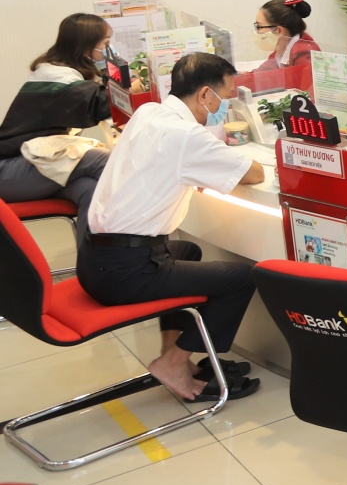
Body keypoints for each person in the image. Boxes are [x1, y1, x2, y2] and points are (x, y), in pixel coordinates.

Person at [80, 53, 264, 403]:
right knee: (242, 278)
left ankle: (174, 355)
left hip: (95, 259)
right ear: (206, 94)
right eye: (227, 95)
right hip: (124, 273)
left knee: (186, 251)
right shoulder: (186, 135)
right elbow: (253, 173)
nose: (226, 105)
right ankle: (173, 363)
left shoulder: (149, 112)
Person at [0, 14, 114, 227]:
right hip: (8, 170)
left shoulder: (57, 70)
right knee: (104, 160)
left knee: (91, 190)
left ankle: (98, 250)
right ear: (86, 45)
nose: (108, 50)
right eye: (105, 44)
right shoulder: (56, 77)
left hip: (31, 163)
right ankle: (137, 243)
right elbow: (99, 102)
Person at [234, 0, 318, 93]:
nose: (256, 32)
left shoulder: (304, 55)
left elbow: (307, 95)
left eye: (259, 27)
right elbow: (260, 75)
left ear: (279, 31)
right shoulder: (281, 49)